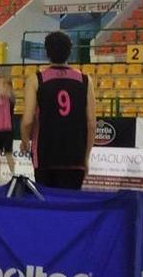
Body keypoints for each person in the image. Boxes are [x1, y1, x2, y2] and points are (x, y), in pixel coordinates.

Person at [20, 32, 96, 190]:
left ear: (47, 53)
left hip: (45, 153)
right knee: (70, 206)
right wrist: (86, 157)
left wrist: (25, 141)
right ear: (70, 51)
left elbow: (28, 120)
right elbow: (91, 123)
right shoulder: (85, 80)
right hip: (75, 155)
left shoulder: (36, 79)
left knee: (47, 206)